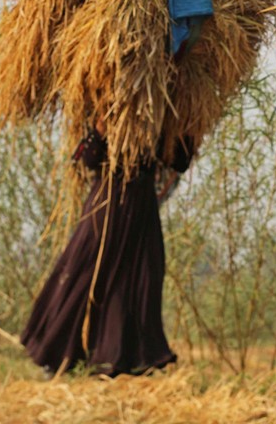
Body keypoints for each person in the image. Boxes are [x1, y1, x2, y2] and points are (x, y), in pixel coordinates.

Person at [21, 127, 195, 376]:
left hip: (142, 208)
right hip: (106, 201)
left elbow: (180, 162)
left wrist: (189, 131)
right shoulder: (103, 110)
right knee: (85, 274)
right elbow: (87, 158)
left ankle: (129, 361)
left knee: (143, 279)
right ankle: (59, 356)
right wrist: (101, 128)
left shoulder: (168, 115)